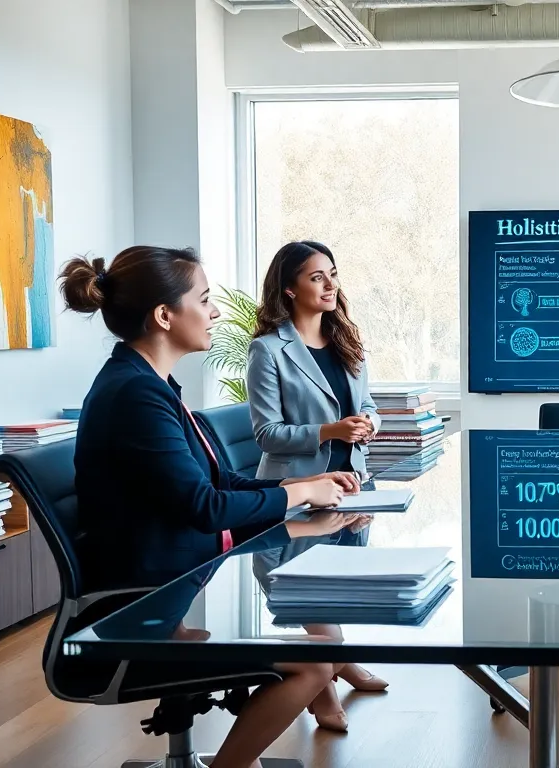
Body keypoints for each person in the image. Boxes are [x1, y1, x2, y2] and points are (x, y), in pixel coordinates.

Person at [61, 245, 371, 768]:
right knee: (314, 663)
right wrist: (297, 495)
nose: (216, 312)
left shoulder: (148, 384)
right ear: (164, 316)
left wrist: (308, 488)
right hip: (143, 607)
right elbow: (204, 507)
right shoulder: (135, 395)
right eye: (204, 300)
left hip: (174, 581)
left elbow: (216, 481)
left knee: (309, 638)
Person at [246, 240, 388, 731]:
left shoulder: (347, 340)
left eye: (332, 274)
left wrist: (368, 422)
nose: (330, 285)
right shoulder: (268, 350)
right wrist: (330, 431)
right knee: (305, 589)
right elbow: (266, 434)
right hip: (298, 492)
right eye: (316, 277)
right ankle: (325, 685)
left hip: (352, 485)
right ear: (289, 288)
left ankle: (338, 660)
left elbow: (368, 405)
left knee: (335, 586)